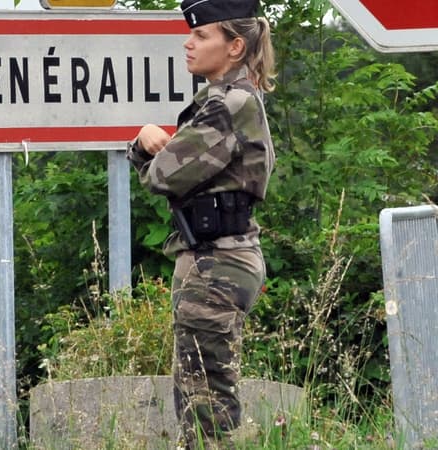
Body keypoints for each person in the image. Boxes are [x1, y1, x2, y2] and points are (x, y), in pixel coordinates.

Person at [126, 0, 276, 447]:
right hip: (220, 258)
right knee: (203, 396)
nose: (189, 44)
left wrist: (143, 143)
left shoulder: (226, 105)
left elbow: (164, 176)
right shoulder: (229, 101)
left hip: (217, 263)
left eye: (202, 36)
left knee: (204, 405)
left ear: (234, 46)